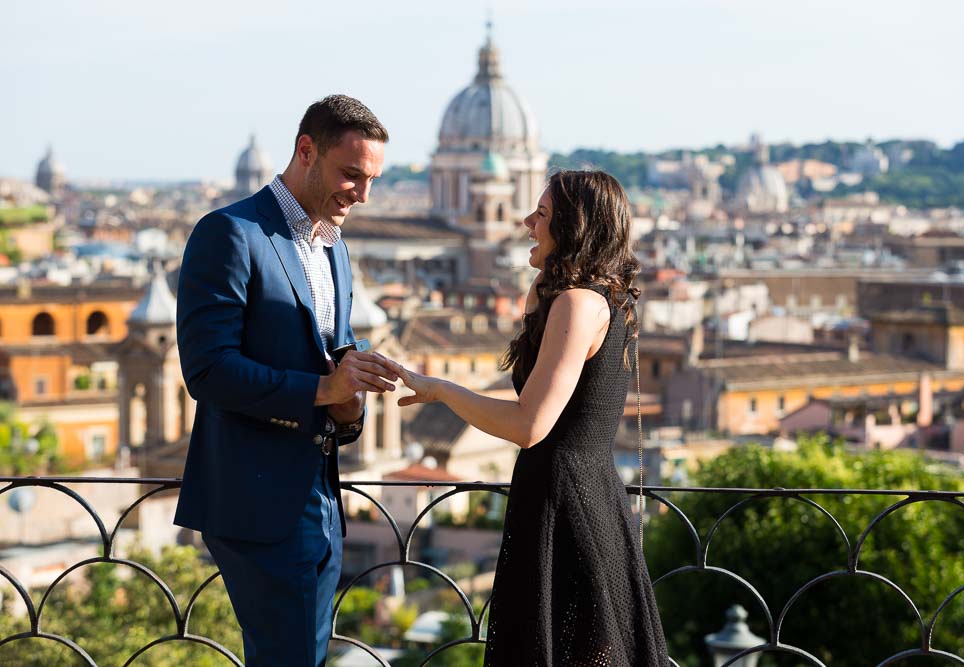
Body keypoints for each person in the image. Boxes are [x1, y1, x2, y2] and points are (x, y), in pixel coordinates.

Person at [391, 170, 669, 665]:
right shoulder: (587, 299)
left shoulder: (577, 304)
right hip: (577, 493)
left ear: (575, 228)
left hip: (567, 503)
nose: (525, 223)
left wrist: (442, 390)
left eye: (541, 215)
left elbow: (529, 425)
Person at [174, 94, 400, 666]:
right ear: (306, 150)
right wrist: (324, 392)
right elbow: (207, 370)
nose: (363, 194)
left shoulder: (335, 249)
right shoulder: (229, 232)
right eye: (352, 174)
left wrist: (351, 406)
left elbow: (332, 364)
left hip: (320, 498)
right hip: (257, 500)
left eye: (371, 179)